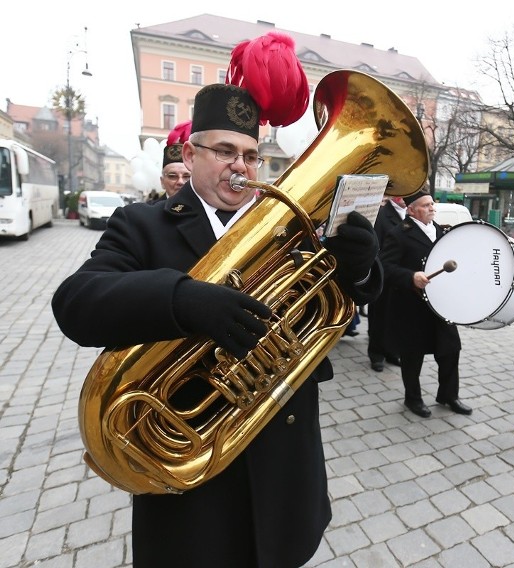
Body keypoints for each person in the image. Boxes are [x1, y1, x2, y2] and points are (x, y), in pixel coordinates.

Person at [52, 32, 382, 568]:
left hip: (284, 464)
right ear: (190, 152)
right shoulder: (142, 225)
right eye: (225, 151)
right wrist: (184, 300)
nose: (240, 167)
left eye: (250, 155)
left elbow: (327, 308)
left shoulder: (283, 226)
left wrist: (356, 268)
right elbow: (76, 302)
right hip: (195, 491)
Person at [380, 188, 471, 418]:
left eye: (432, 204)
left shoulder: (440, 231)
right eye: (426, 205)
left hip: (440, 305)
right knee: (413, 355)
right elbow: (385, 268)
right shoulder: (398, 233)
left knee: (450, 350)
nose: (432, 208)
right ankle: (413, 398)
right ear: (411, 210)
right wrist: (411, 277)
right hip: (412, 306)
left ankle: (449, 395)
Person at [367, 195, 406, 371]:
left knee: (396, 318)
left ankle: (392, 351)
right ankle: (376, 354)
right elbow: (374, 246)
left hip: (400, 276)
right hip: (383, 275)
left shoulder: (408, 215)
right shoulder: (381, 214)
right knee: (379, 318)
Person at [160, 120, 192, 198]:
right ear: (162, 182)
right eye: (172, 176)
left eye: (186, 176)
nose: (180, 182)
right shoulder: (148, 210)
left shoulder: (204, 209)